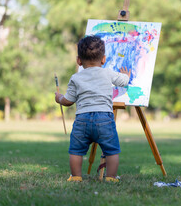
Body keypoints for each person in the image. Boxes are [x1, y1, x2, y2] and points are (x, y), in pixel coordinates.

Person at [55, 35, 130, 182]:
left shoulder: (75, 78)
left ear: (79, 60)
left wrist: (59, 98)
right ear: (103, 59)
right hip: (104, 119)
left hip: (82, 120)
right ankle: (111, 177)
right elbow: (124, 81)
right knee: (111, 150)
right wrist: (126, 75)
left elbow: (68, 101)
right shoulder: (108, 72)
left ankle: (76, 176)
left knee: (76, 150)